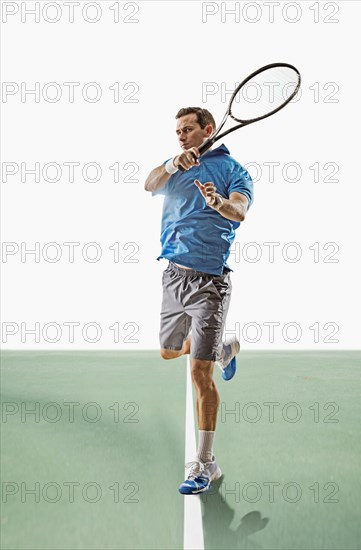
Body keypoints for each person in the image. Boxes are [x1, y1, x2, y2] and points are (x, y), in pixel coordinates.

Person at [144, 107, 253, 494]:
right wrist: (174, 164)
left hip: (210, 283)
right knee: (169, 351)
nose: (181, 135)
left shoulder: (234, 171)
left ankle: (206, 464)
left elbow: (238, 210)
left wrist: (218, 204)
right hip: (173, 277)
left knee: (199, 373)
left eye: (188, 129)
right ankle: (224, 347)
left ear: (208, 129)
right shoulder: (175, 164)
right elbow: (149, 183)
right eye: (177, 130)